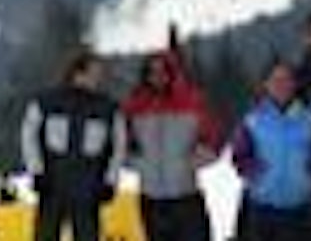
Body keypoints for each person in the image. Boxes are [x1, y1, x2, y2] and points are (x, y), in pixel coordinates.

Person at [20, 46, 126, 241]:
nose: (99, 78)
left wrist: (110, 181)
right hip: (52, 186)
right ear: (78, 73)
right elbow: (29, 136)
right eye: (94, 72)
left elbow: (119, 147)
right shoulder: (46, 102)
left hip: (88, 190)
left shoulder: (109, 109)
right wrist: (36, 171)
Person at [123, 45, 221, 241]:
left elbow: (214, 138)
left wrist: (192, 162)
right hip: (151, 198)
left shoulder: (191, 102)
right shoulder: (134, 106)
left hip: (186, 196)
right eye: (152, 72)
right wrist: (138, 164)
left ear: (171, 73)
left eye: (163, 71)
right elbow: (120, 144)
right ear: (145, 75)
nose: (158, 76)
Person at [231, 60, 311, 241]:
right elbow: (239, 156)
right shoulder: (253, 119)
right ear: (266, 84)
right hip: (263, 209)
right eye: (275, 80)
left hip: (301, 209)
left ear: (294, 84)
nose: (282, 85)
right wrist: (252, 169)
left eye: (286, 80)